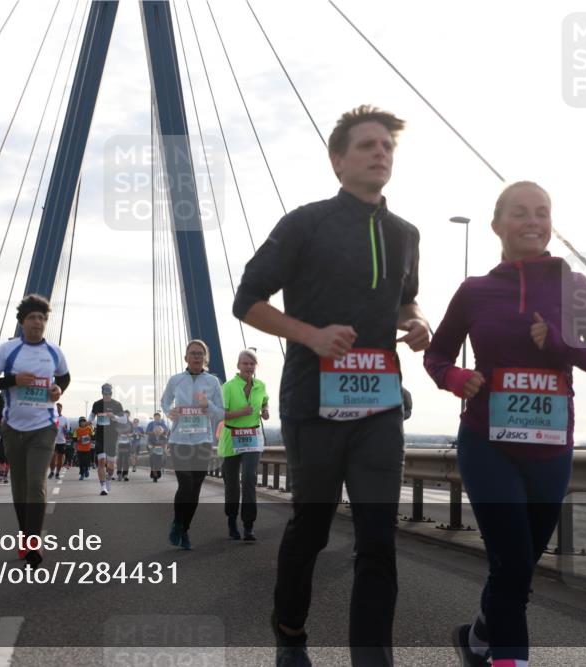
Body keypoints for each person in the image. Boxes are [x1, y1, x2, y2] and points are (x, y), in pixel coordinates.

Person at [232, 106, 429, 666]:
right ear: (338, 161)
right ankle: (290, 631)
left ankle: (372, 657)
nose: (380, 153)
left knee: (377, 538)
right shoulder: (304, 223)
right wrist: (310, 336)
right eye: (367, 145)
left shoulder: (405, 234)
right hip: (312, 405)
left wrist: (417, 323)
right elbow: (247, 300)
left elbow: (403, 300)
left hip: (380, 407)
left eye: (386, 146)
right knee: (312, 528)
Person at [423, 181, 586, 667]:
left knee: (518, 569)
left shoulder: (572, 286)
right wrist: (454, 377)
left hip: (551, 450)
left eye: (542, 212)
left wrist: (561, 346)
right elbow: (437, 353)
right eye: (521, 213)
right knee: (512, 564)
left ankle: (478, 638)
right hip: (486, 443)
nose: (533, 221)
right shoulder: (474, 291)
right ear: (497, 225)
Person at [0, 294, 70, 567]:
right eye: (32, 318)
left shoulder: (54, 352)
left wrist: (58, 389)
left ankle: (33, 544)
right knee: (19, 489)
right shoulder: (8, 350)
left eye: (42, 318)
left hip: (44, 427)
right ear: (22, 322)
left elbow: (64, 377)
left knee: (35, 485)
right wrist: (14, 380)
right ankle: (25, 534)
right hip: (13, 428)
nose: (38, 322)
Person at [161, 339, 224, 550]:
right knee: (185, 484)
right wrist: (170, 412)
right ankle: (177, 523)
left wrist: (209, 405)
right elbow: (164, 402)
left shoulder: (213, 382)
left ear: (205, 358)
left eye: (200, 353)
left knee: (195, 488)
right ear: (186, 357)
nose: (196, 356)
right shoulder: (176, 380)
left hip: (203, 441)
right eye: (193, 353)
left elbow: (220, 412)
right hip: (179, 439)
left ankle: (184, 528)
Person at [219, 349, 270, 542]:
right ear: (238, 366)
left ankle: (249, 526)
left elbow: (265, 402)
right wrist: (241, 412)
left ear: (255, 367)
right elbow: (220, 415)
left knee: (249, 478)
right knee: (231, 484)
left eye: (252, 364)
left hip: (252, 437)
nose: (249, 367)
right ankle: (232, 520)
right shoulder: (228, 387)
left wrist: (265, 411)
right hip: (231, 436)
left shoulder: (261, 385)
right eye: (245, 363)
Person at [91, 384, 127, 496]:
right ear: (102, 393)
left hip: (112, 437)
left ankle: (109, 478)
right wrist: (89, 422)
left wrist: (114, 417)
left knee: (111, 465)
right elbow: (91, 416)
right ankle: (103, 487)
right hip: (100, 436)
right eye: (106, 394)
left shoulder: (117, 405)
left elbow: (124, 420)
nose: (108, 395)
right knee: (101, 461)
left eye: (109, 393)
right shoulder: (97, 404)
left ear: (112, 393)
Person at [145, 412, 169, 482]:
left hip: (161, 444)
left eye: (158, 418)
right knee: (152, 460)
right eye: (156, 418)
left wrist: (162, 433)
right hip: (152, 443)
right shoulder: (150, 424)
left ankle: (159, 470)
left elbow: (166, 432)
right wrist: (154, 432)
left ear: (160, 418)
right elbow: (146, 432)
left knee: (163, 459)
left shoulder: (163, 424)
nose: (157, 419)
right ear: (154, 418)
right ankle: (154, 472)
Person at [49, 403, 70, 479]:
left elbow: (68, 432)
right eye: (56, 408)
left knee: (60, 458)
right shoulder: (52, 418)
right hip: (53, 440)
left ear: (61, 409)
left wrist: (65, 430)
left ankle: (57, 473)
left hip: (61, 441)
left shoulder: (65, 419)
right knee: (52, 457)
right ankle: (52, 471)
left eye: (59, 408)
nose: (58, 409)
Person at [115, 410, 133, 481]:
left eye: (127, 415)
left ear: (129, 416)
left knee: (126, 460)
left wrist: (129, 435)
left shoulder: (130, 424)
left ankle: (125, 474)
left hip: (127, 443)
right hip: (119, 443)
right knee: (119, 459)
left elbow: (132, 433)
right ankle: (119, 473)